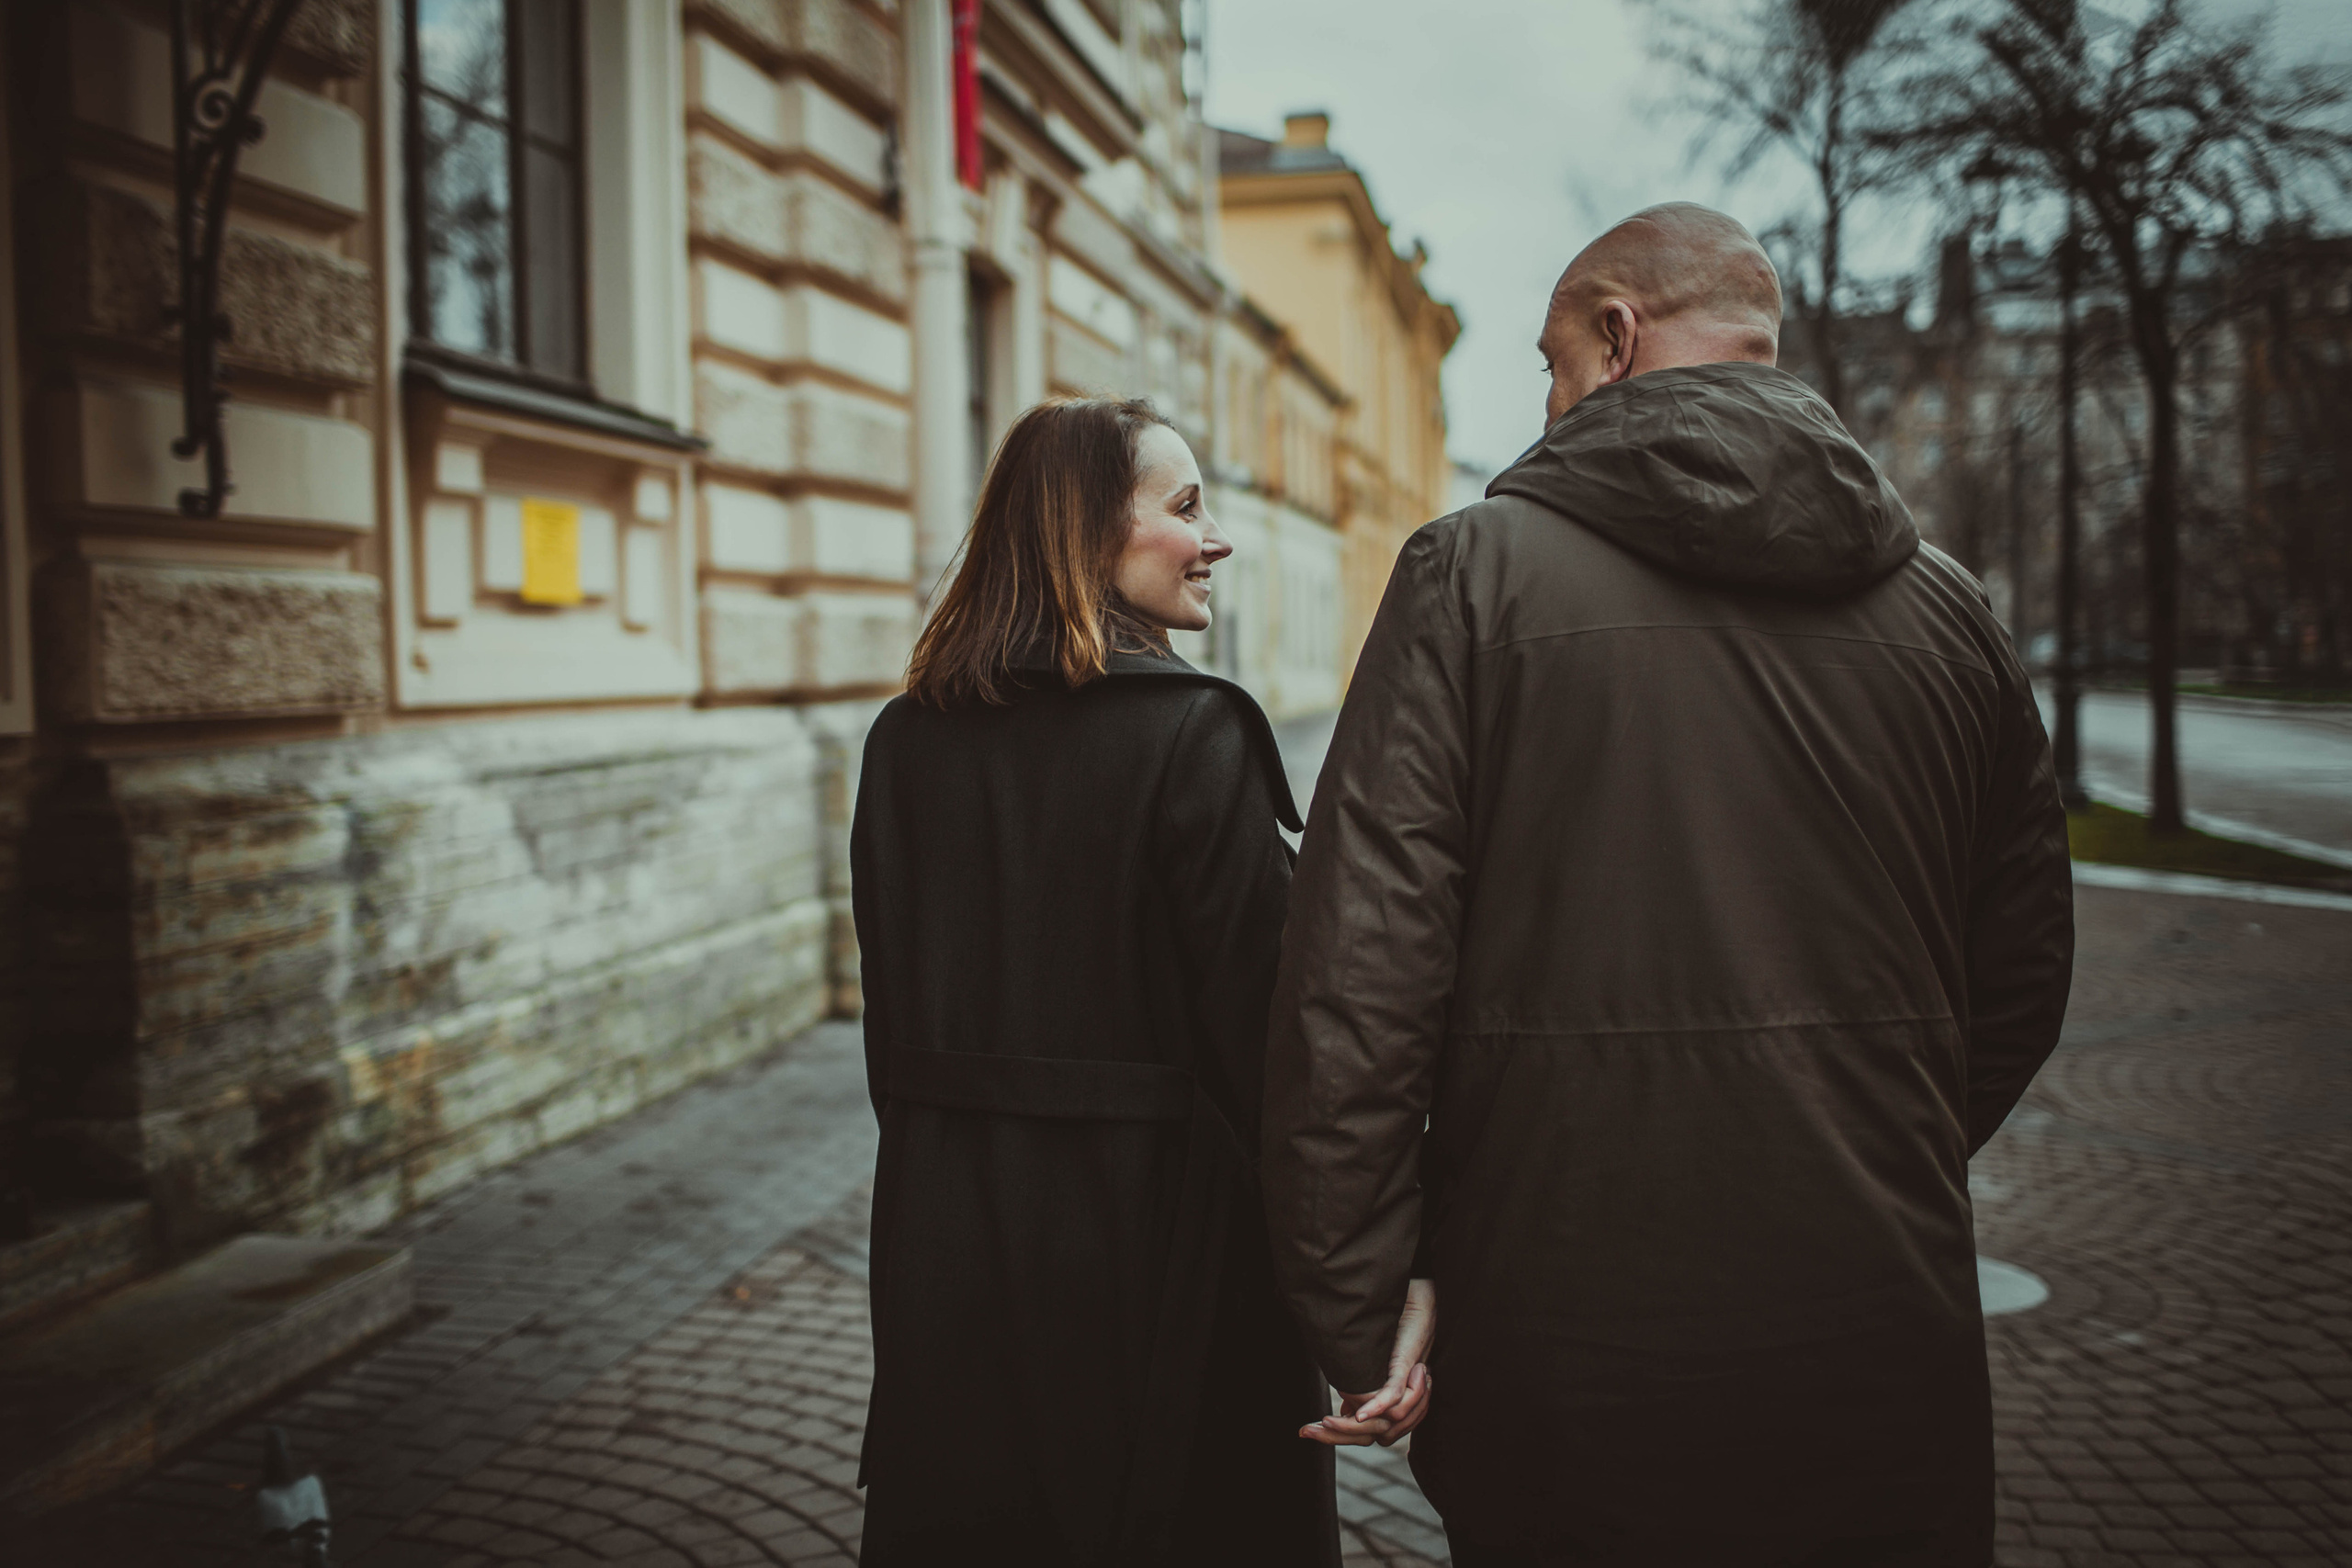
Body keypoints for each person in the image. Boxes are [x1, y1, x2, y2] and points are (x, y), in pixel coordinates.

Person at [1261, 203, 2075, 1566]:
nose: (1547, 398)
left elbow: (1360, 970)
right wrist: (1867, 1138)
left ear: (1619, 337)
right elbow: (2025, 966)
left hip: (1563, 1317)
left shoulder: (1470, 575)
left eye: (1553, 360)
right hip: (1877, 1308)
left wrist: (1357, 1301)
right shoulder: (1952, 610)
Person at [850, 397, 1341, 1567]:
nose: (1212, 538)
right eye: (1184, 508)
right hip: (1165, 1274)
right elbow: (1273, 1049)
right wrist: (1365, 1272)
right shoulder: (1193, 735)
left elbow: (896, 1019)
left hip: (946, 1255)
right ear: (1083, 535)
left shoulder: (903, 739)